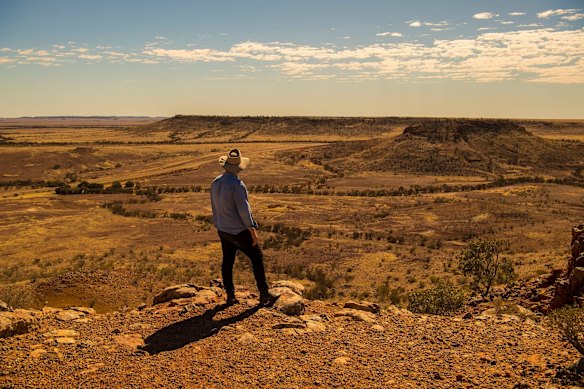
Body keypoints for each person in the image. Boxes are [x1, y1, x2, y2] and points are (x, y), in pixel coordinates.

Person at [210, 148, 275, 306]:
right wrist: (252, 230)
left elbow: (214, 206)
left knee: (227, 261)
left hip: (223, 230)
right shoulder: (237, 185)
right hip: (238, 231)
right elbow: (244, 210)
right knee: (257, 258)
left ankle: (230, 295)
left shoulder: (216, 182)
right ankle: (264, 294)